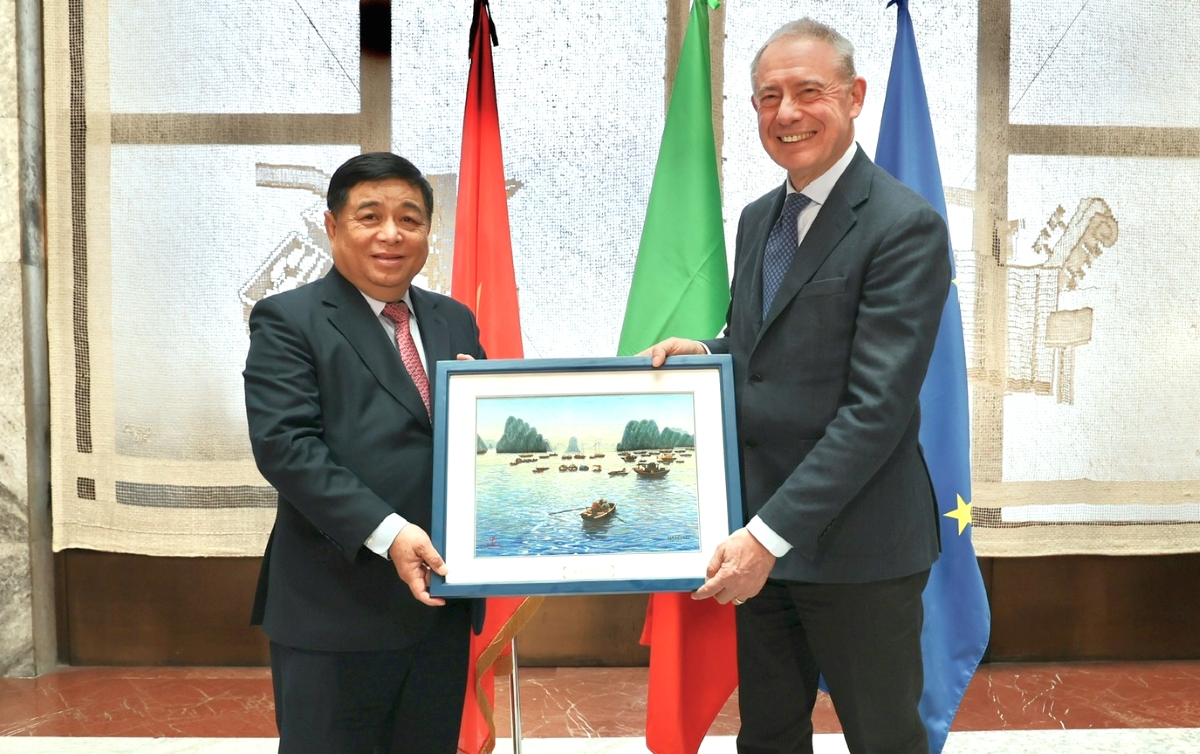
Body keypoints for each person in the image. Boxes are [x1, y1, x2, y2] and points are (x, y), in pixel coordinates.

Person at [643, 18, 950, 754]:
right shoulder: (759, 219)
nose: (787, 113)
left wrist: (766, 537)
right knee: (769, 736)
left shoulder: (903, 227)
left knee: (884, 739)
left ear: (854, 96)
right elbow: (769, 349)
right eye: (768, 97)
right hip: (761, 539)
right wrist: (709, 352)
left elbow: (875, 410)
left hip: (857, 547)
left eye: (809, 92)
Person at [243, 152, 486, 753]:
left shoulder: (454, 320)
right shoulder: (288, 319)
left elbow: (479, 442)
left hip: (439, 608)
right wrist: (391, 532)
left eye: (409, 218)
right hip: (335, 611)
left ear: (428, 231)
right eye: (370, 216)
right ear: (332, 226)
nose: (391, 234)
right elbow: (286, 447)